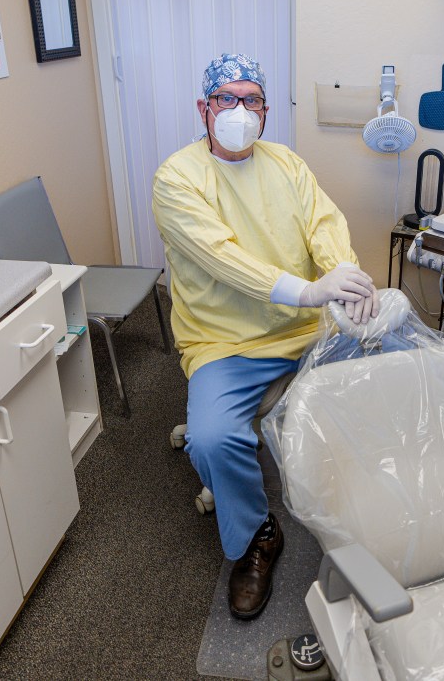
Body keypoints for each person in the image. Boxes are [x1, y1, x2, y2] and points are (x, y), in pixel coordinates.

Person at [151, 53, 378, 619]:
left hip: (306, 331)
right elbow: (222, 258)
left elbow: (323, 226)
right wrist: (307, 291)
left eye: (251, 100)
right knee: (210, 439)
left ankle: (380, 511)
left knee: (383, 376)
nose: (239, 111)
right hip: (225, 341)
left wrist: (344, 277)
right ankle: (258, 535)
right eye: (226, 99)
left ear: (267, 112)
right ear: (204, 109)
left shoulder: (287, 165)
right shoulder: (177, 178)